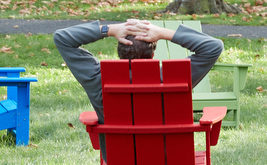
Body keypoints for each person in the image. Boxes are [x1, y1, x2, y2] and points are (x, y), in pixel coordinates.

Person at [53, 19, 224, 152]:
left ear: (119, 52)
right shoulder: (173, 78)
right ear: (153, 54)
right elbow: (214, 47)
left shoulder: (99, 79)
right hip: (171, 162)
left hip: (119, 163)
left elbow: (62, 38)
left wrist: (109, 30)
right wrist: (163, 32)